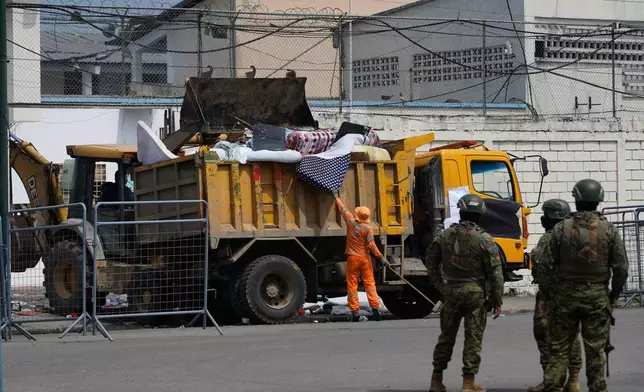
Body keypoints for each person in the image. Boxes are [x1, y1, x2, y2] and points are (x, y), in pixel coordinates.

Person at [538, 179, 629, 392]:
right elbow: (622, 267)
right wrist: (613, 294)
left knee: (559, 349)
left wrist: (545, 296)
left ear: (576, 198)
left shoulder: (561, 228)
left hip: (564, 297)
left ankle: (553, 387)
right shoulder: (609, 230)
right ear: (599, 199)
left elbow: (545, 265)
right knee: (595, 350)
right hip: (597, 297)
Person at [426, 194, 504, 392]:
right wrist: (497, 299)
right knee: (473, 338)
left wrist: (439, 285)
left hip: (451, 291)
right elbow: (495, 273)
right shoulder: (485, 239)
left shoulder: (444, 235)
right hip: (475, 293)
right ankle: (468, 383)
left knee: (446, 337)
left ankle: (436, 380)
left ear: (460, 212)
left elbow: (430, 261)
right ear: (480, 215)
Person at [528, 199, 582, 392]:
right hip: (574, 294)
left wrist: (544, 297)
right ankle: (574, 380)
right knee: (572, 335)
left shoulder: (549, 238)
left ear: (548, 218)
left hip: (552, 295)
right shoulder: (577, 236)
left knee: (544, 335)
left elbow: (542, 269)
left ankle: (550, 380)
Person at [333, 191, 388, 322]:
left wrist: (336, 197)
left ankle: (355, 311)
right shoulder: (368, 229)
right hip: (365, 259)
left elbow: (343, 209)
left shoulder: (351, 222)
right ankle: (375, 307)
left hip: (352, 258)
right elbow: (371, 244)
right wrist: (381, 257)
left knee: (352, 285)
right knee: (369, 283)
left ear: (357, 215)